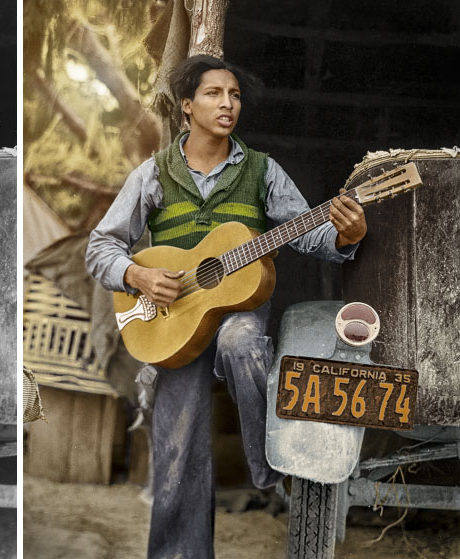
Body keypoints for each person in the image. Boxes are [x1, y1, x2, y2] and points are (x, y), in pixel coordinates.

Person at [85, 55, 367, 559]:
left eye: (234, 95)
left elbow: (309, 231)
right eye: (215, 94)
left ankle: (266, 465)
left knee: (241, 342)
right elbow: (100, 246)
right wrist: (139, 274)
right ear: (188, 107)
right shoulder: (153, 174)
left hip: (238, 314)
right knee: (176, 449)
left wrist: (345, 235)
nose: (228, 104)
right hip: (173, 326)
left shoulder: (263, 172)